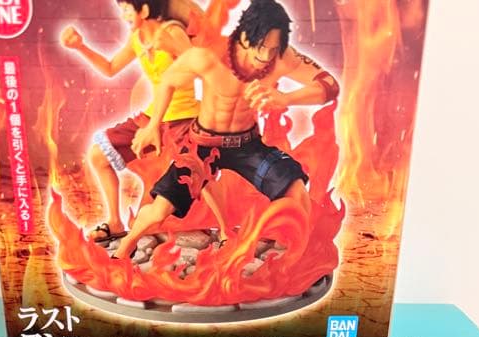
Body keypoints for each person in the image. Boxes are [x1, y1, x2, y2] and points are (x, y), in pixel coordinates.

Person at [113, 0, 339, 259]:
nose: (266, 57)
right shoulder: (210, 54)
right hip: (203, 144)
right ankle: (124, 248)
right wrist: (154, 124)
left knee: (295, 189)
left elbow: (329, 84)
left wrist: (287, 98)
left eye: (273, 49)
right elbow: (168, 80)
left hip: (248, 145)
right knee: (160, 210)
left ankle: (298, 258)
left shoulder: (281, 58)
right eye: (261, 48)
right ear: (243, 35)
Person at [61, 0, 200, 244]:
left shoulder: (173, 32)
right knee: (98, 156)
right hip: (152, 116)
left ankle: (223, 230)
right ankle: (115, 222)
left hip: (183, 117)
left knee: (194, 177)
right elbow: (110, 68)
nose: (123, 15)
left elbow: (200, 67)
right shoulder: (138, 39)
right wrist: (80, 46)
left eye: (126, 9)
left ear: (144, 10)